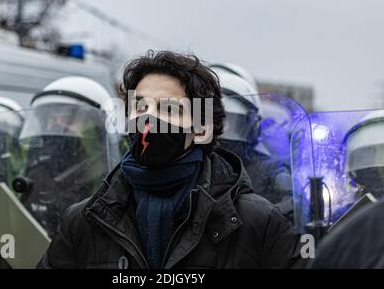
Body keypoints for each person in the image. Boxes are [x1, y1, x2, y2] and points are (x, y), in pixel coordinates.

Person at [38, 50, 302, 269]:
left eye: (168, 109)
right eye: (140, 106)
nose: (148, 120)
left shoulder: (257, 223)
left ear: (201, 128)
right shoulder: (84, 221)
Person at [16, 76, 120, 238]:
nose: (55, 126)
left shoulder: (110, 181)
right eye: (49, 119)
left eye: (66, 118)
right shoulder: (36, 175)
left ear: (95, 125)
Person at [210, 64, 294, 220]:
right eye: (211, 119)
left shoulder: (268, 170)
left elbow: (291, 207)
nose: (221, 131)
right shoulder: (186, 163)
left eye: (233, 120)